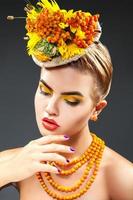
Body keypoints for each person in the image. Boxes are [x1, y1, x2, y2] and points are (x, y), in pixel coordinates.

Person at [1, 0, 133, 199]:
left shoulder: (121, 176)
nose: (50, 108)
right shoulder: (15, 162)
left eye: (71, 100)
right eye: (45, 91)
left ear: (97, 109)